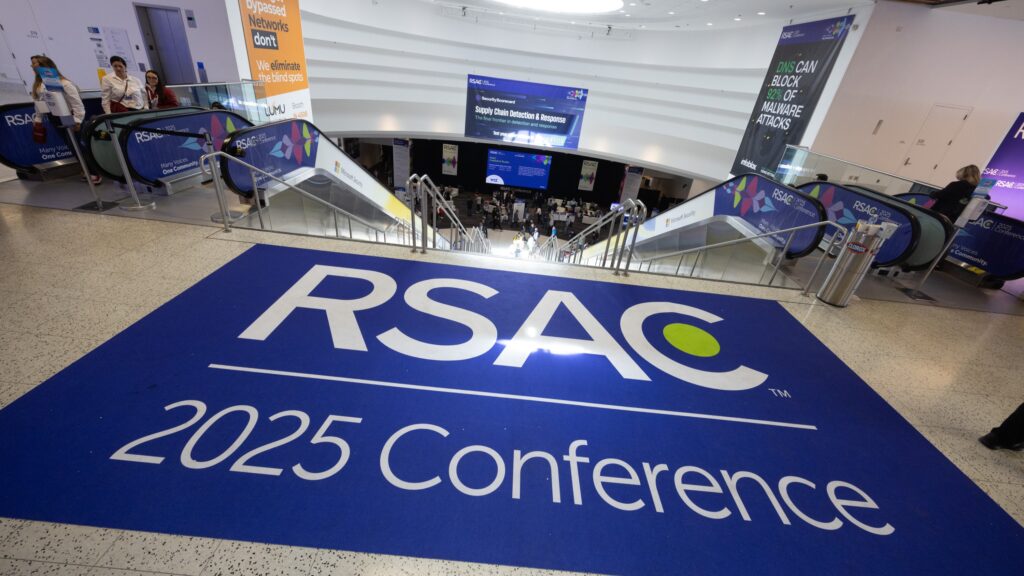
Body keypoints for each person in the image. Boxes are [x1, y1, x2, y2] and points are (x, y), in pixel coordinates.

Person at [29, 56, 100, 185]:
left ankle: (94, 172)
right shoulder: (39, 85)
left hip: (70, 116)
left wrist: (77, 120)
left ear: (44, 65)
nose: (32, 66)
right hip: (55, 118)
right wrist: (38, 119)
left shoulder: (64, 83)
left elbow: (77, 104)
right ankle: (86, 170)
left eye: (34, 63)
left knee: (79, 145)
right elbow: (40, 103)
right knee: (72, 147)